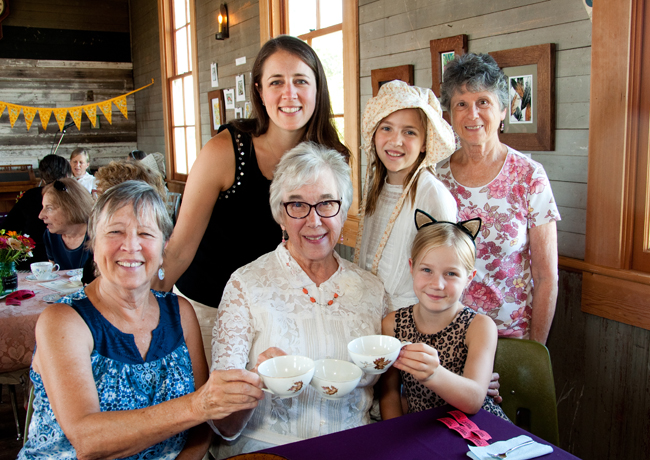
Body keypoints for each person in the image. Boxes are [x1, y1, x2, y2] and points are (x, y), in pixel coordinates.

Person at [19, 181, 264, 460]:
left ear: (163, 248)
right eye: (115, 232)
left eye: (146, 233)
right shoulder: (64, 321)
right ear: (93, 243)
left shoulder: (180, 312)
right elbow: (88, 441)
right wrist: (199, 405)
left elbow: (201, 427)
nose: (131, 246)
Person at [155, 35, 350, 363]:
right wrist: (137, 308)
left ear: (318, 88)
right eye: (277, 82)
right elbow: (179, 249)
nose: (290, 94)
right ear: (259, 91)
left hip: (279, 315)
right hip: (208, 309)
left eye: (301, 80)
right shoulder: (225, 151)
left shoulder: (331, 159)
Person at [210, 143, 387, 459]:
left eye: (326, 204)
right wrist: (254, 378)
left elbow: (388, 389)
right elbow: (224, 426)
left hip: (354, 449)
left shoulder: (372, 290)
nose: (314, 221)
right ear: (280, 214)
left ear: (343, 209)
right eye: (297, 205)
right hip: (267, 453)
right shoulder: (245, 286)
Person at [436, 53, 560, 344]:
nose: (472, 114)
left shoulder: (529, 176)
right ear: (450, 115)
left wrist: (535, 350)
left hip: (511, 337)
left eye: (483, 102)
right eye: (461, 104)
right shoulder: (435, 177)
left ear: (503, 110)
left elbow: (546, 277)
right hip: (447, 334)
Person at [380, 210, 508, 421]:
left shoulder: (479, 326)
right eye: (427, 270)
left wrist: (434, 374)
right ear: (412, 268)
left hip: (477, 430)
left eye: (451, 273)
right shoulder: (393, 324)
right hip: (422, 431)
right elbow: (390, 394)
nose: (437, 284)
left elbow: (475, 399)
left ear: (469, 278)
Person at [354, 80, 457, 311]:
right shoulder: (376, 187)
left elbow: (447, 273)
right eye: (387, 128)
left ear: (424, 143)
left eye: (409, 132)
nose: (395, 141)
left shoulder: (433, 195)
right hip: (370, 314)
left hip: (411, 321)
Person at [3, 155, 71, 269]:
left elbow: (9, 226)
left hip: (32, 260)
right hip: (66, 257)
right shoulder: (73, 196)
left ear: (43, 179)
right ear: (67, 175)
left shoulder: (30, 195)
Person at [38, 178, 93, 270]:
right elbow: (54, 274)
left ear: (71, 208)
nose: (41, 215)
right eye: (43, 207)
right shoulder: (50, 236)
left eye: (49, 208)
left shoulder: (99, 235)